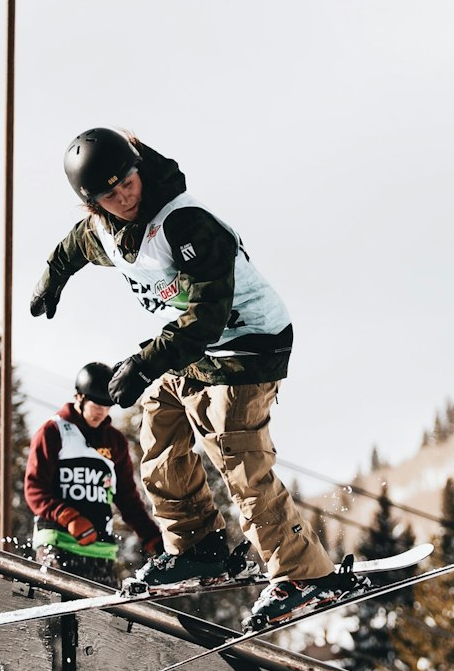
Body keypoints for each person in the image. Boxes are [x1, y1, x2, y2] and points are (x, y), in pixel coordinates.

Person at [29, 126, 364, 626]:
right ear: (93, 203)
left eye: (129, 182)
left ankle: (303, 575)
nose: (125, 197)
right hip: (197, 350)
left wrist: (142, 362)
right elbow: (71, 249)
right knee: (158, 422)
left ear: (139, 168)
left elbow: (205, 320)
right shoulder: (105, 231)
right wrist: (50, 282)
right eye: (110, 194)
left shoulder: (184, 223)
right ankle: (198, 546)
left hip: (251, 342)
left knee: (232, 445)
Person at [24, 361, 163, 588]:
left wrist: (153, 539)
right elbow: (35, 489)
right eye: (96, 404)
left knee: (98, 619)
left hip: (101, 549)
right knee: (58, 613)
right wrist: (69, 518)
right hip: (59, 542)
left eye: (108, 405)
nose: (102, 411)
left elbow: (127, 499)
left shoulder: (115, 442)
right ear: (79, 397)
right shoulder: (53, 431)